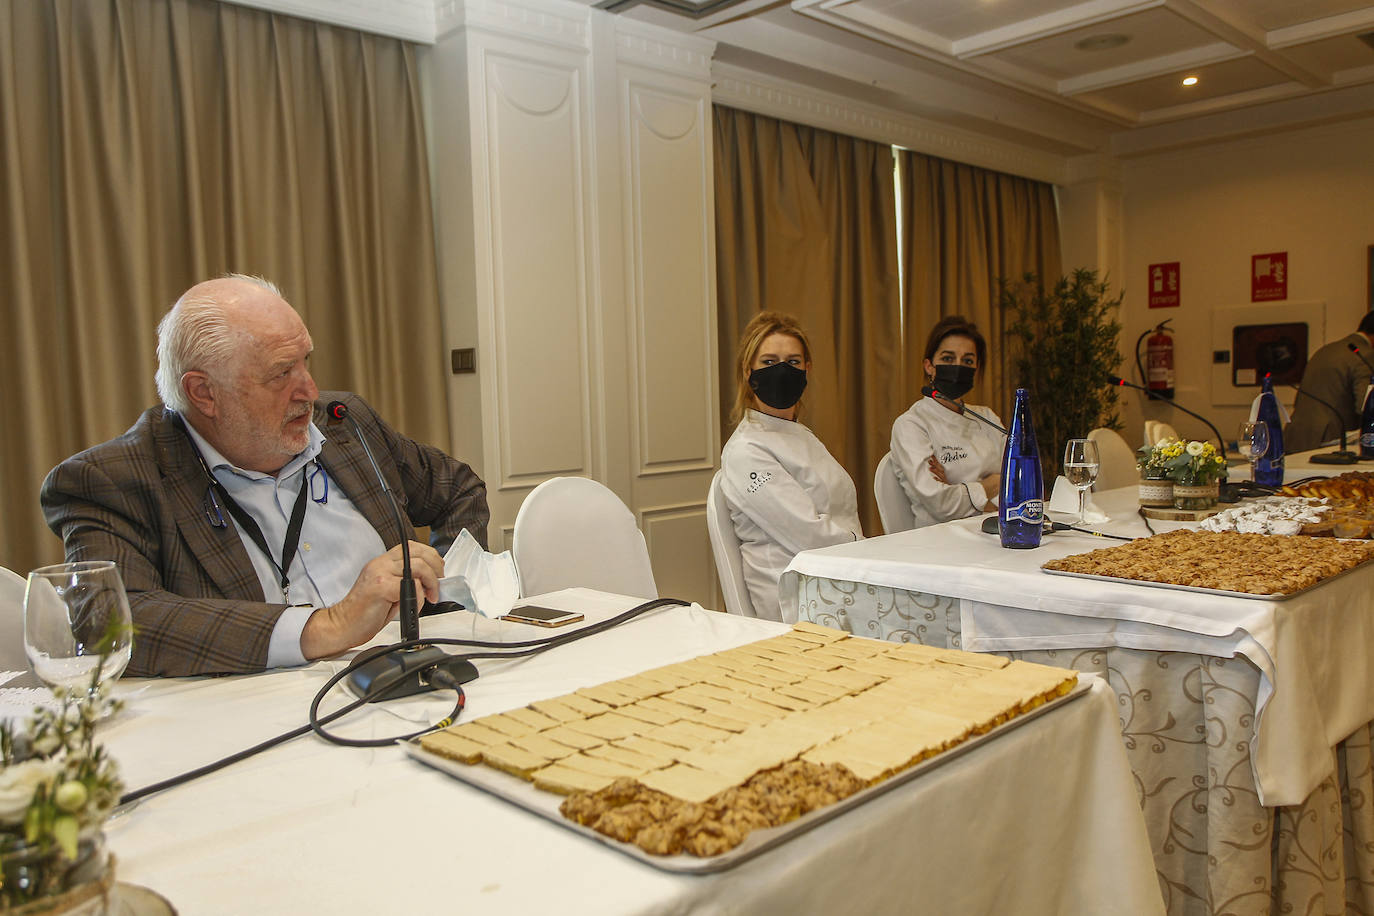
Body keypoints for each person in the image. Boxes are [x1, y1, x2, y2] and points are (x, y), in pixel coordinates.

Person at [41, 275, 489, 678]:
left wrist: (443, 599)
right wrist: (329, 625)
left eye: (305, 362)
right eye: (281, 374)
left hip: (411, 679)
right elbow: (108, 622)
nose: (309, 392)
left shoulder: (346, 425)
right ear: (204, 392)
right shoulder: (113, 480)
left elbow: (458, 491)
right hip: (251, 722)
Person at [719, 312, 862, 621]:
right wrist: (866, 550)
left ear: (807, 370)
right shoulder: (746, 450)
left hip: (837, 576)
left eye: (793, 363)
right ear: (748, 372)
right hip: (795, 599)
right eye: (769, 362)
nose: (782, 371)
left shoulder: (802, 436)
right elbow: (809, 535)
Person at [889, 316, 1005, 528]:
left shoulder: (988, 417)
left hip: (996, 533)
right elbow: (940, 504)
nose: (958, 366)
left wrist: (956, 488)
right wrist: (990, 485)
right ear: (929, 366)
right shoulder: (911, 425)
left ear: (977, 368)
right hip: (939, 541)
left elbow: (1018, 484)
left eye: (968, 361)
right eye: (948, 359)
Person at [1283, 311, 1374, 452]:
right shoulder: (1365, 354)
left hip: (1295, 435)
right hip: (1329, 439)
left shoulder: (1327, 350)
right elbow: (1366, 405)